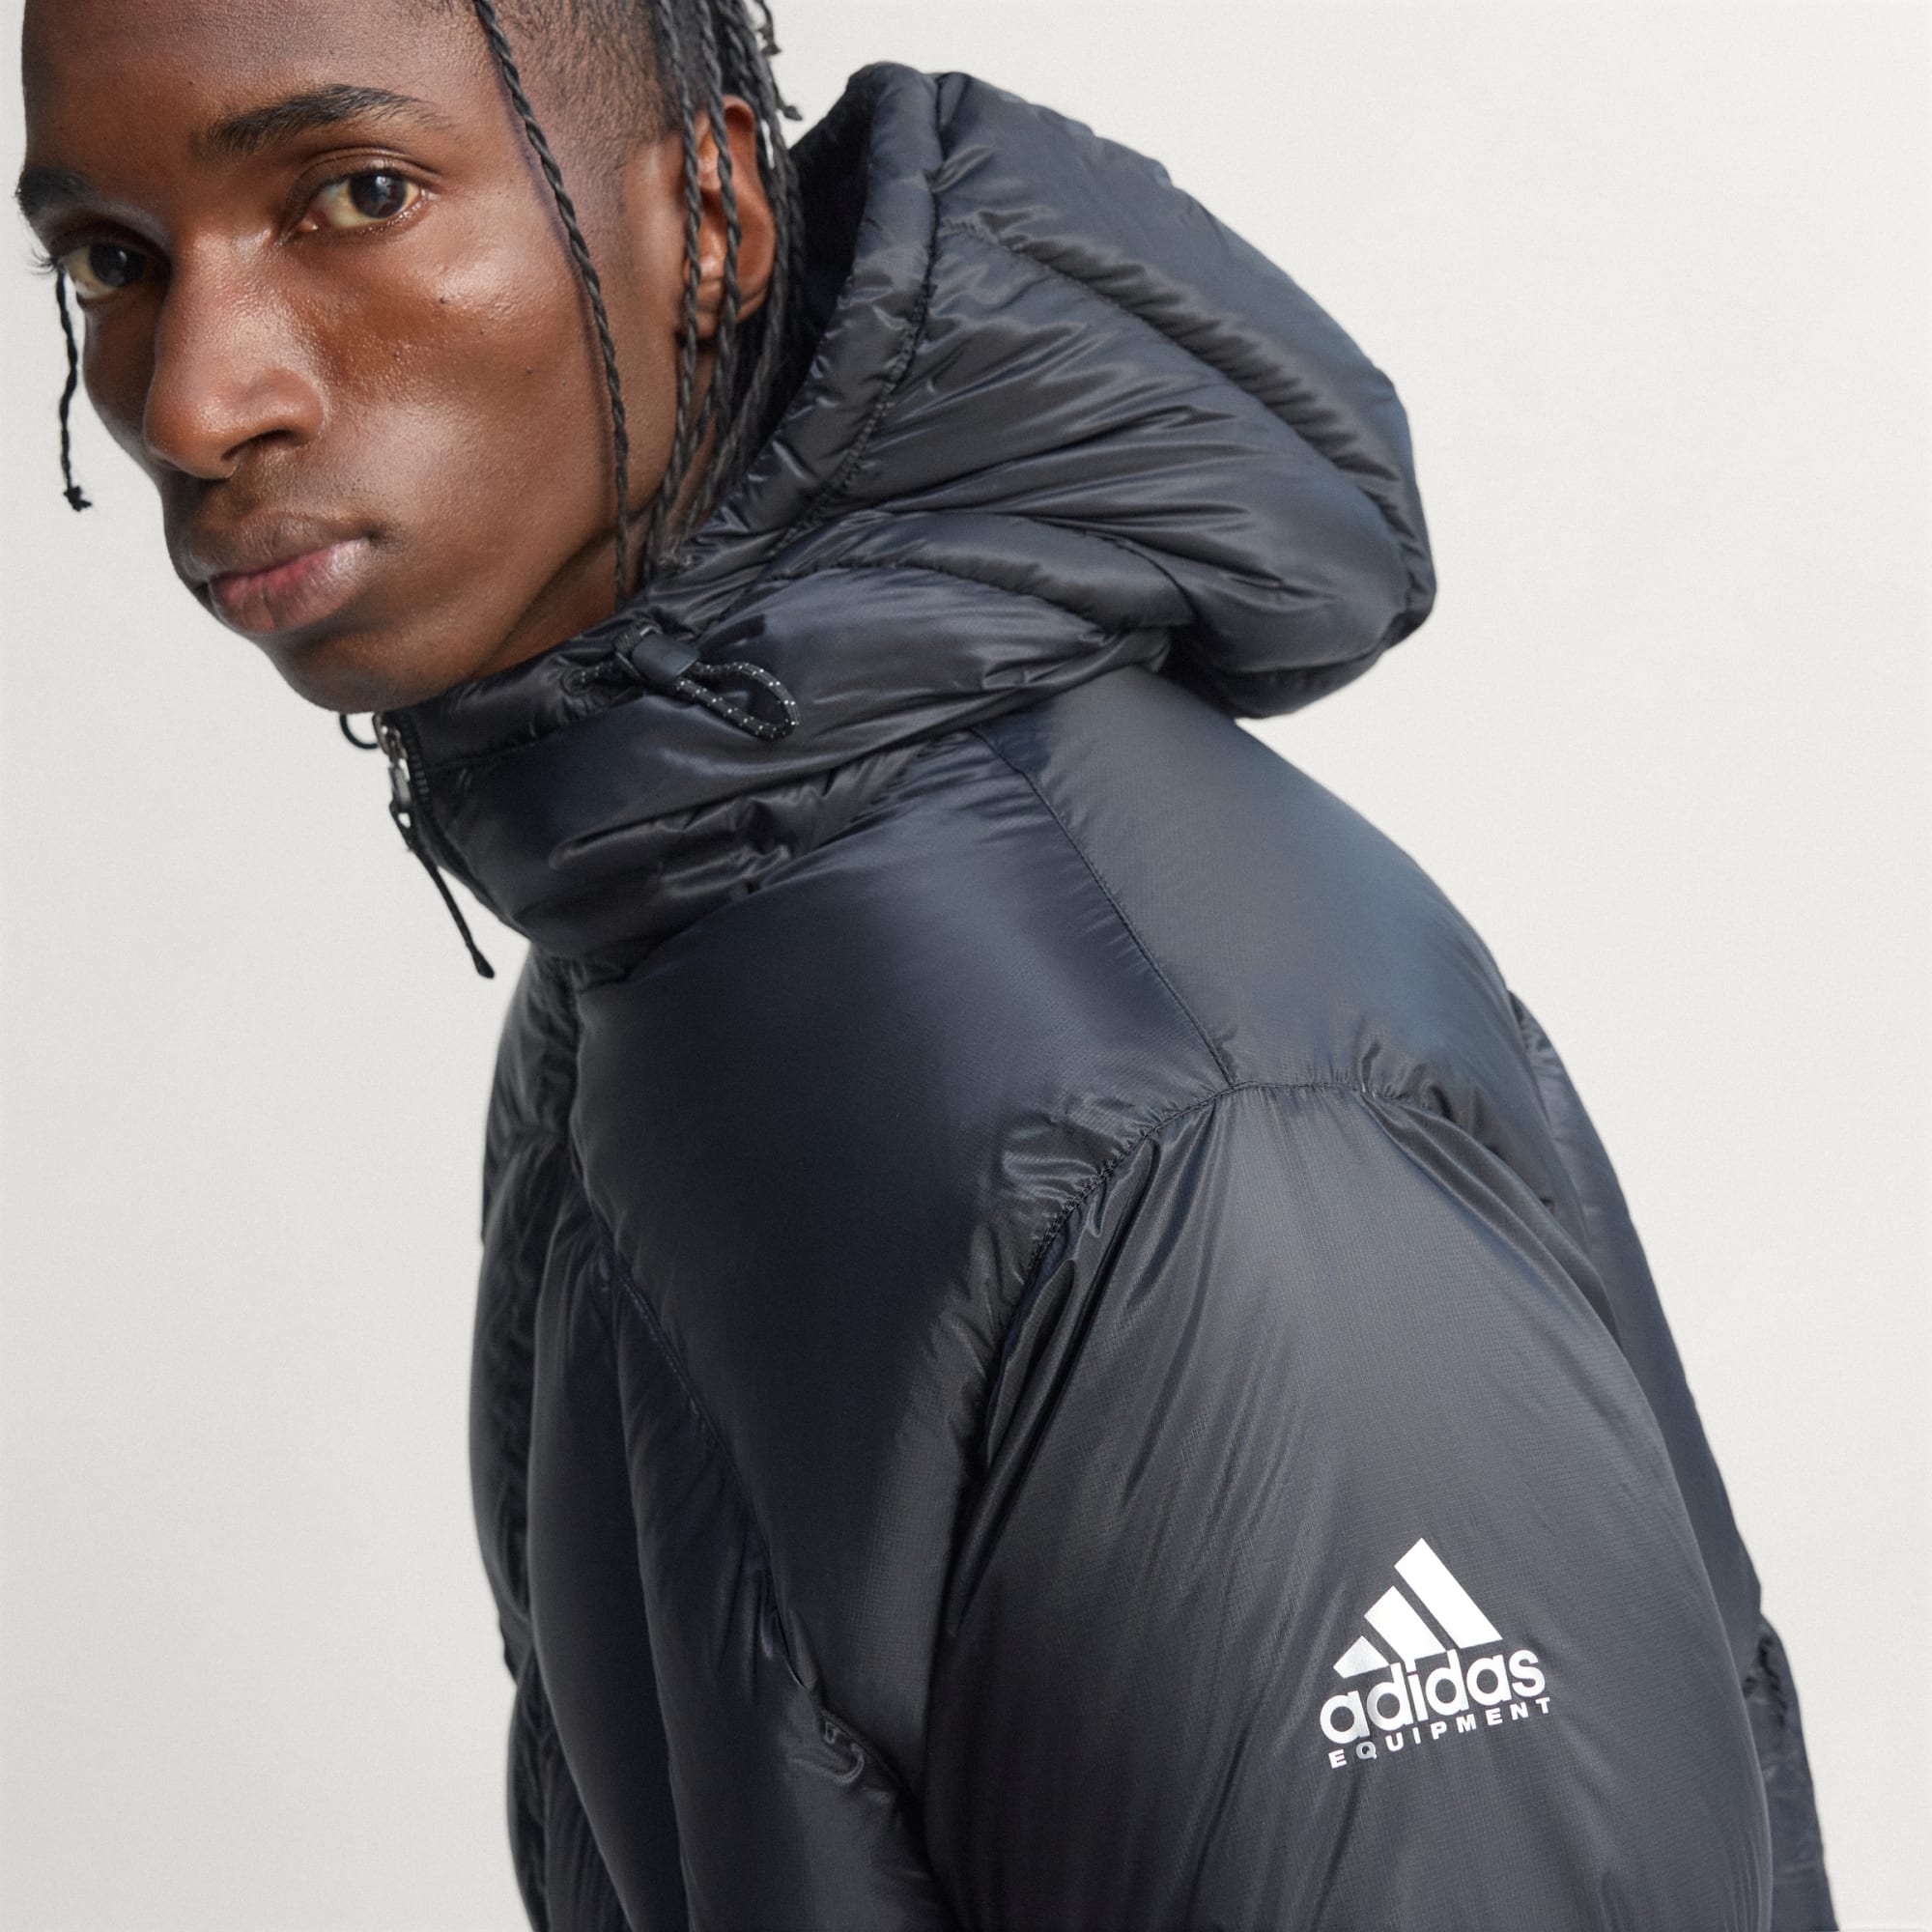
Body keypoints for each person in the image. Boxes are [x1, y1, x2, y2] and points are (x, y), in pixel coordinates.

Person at [16, 1, 1836, 1926]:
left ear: (713, 217)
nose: (193, 404)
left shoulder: (1188, 1143)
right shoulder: (678, 925)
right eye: (112, 262)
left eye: (358, 194)